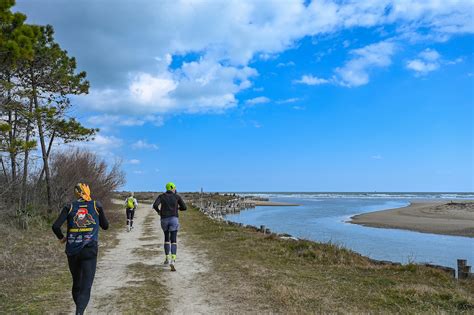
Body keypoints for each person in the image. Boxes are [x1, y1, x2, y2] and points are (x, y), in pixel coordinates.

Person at [52, 183, 109, 315]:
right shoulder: (96, 205)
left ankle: (79, 311)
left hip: (72, 250)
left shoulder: (69, 206)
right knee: (86, 285)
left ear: (76, 193)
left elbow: (55, 226)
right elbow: (105, 226)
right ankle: (79, 312)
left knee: (77, 282)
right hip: (89, 249)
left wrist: (62, 238)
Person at [152, 182, 187, 271]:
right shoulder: (177, 197)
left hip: (164, 219)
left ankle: (167, 258)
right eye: (174, 187)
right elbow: (184, 207)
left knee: (166, 238)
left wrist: (159, 212)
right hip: (174, 219)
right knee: (174, 239)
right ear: (172, 188)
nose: (175, 189)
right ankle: (173, 260)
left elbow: (155, 205)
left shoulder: (161, 196)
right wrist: (178, 209)